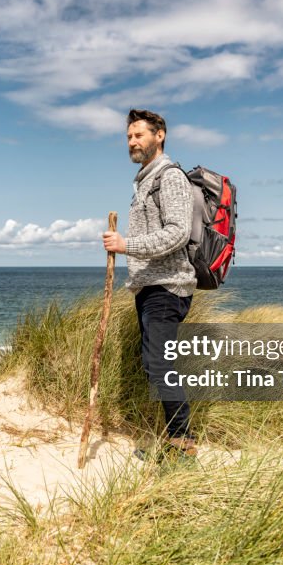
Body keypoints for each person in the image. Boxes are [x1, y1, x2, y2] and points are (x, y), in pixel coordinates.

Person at [102, 108, 198, 461]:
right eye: (129, 136)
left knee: (159, 366)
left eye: (139, 135)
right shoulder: (143, 180)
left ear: (160, 135)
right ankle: (171, 437)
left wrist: (127, 245)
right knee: (152, 366)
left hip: (168, 286)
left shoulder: (169, 177)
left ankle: (182, 445)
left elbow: (177, 232)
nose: (132, 141)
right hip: (149, 286)